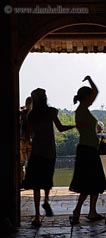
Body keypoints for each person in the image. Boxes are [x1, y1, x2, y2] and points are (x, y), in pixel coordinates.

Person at [22, 88, 75, 226]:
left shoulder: (31, 115)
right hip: (50, 150)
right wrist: (75, 125)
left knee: (35, 184)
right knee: (47, 178)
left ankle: (37, 216)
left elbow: (27, 136)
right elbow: (61, 128)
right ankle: (46, 200)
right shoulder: (51, 112)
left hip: (37, 151)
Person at [69, 76, 106, 224]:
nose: (92, 98)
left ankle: (88, 211)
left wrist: (90, 81)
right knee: (89, 183)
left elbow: (95, 92)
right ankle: (79, 211)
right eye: (89, 96)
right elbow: (96, 91)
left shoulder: (82, 110)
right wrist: (90, 79)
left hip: (89, 150)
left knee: (93, 183)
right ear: (86, 97)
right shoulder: (82, 110)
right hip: (87, 151)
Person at [20, 96, 32, 183]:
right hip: (27, 140)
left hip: (23, 139)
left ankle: (23, 180)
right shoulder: (33, 114)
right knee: (25, 163)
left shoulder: (22, 113)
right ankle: (27, 181)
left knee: (22, 163)